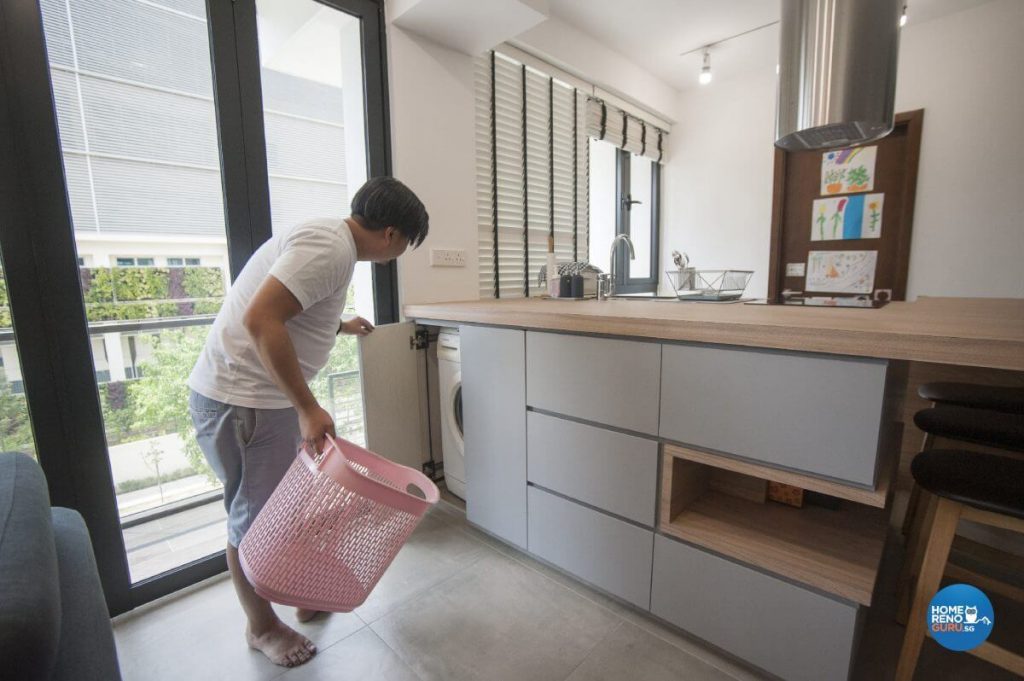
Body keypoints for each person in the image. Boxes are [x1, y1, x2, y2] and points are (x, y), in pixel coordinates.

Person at [187, 177, 429, 668]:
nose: (401, 252)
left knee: (279, 509)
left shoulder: (331, 242)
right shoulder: (330, 249)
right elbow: (261, 319)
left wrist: (340, 325)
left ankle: (295, 593)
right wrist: (307, 407)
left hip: (252, 400)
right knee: (255, 520)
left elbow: (295, 308)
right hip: (247, 401)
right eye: (406, 242)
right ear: (390, 233)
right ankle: (261, 626)